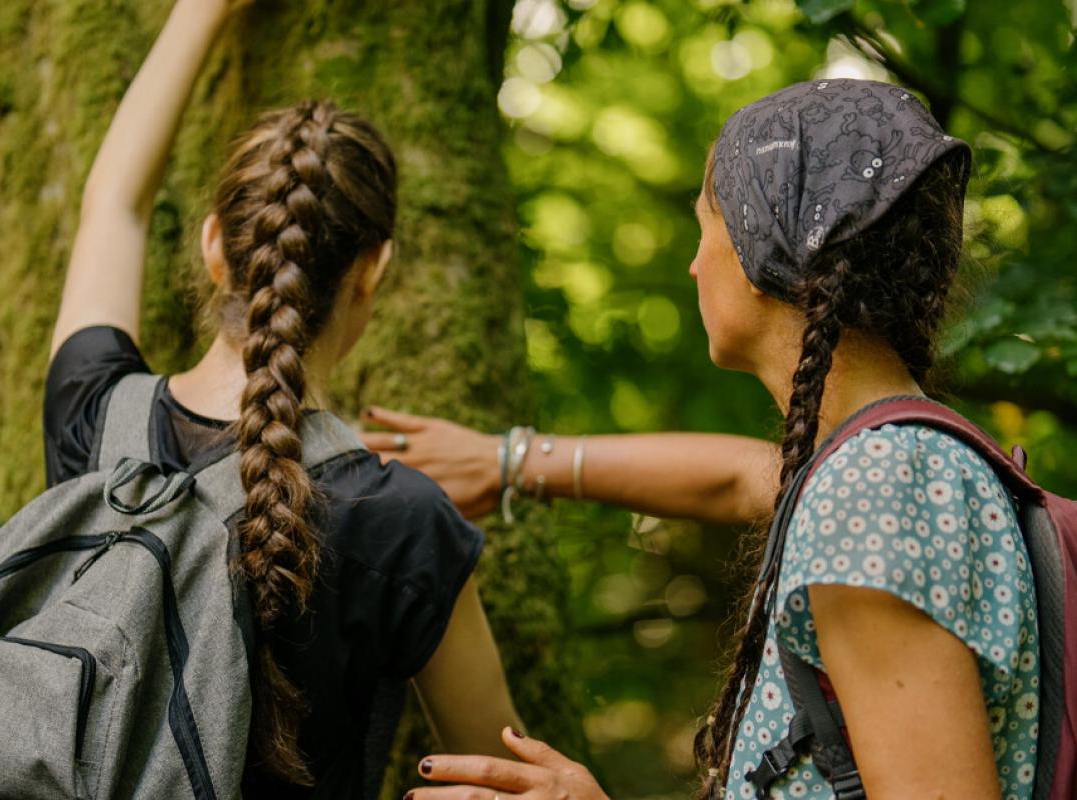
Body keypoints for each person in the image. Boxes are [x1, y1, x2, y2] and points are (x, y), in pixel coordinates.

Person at [372, 80, 1039, 799]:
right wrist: (512, 462)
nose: (695, 263)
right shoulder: (890, 461)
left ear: (764, 246)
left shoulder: (878, 490)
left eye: (706, 226)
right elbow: (736, 478)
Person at [42, 1, 521, 797]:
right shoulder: (404, 521)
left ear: (212, 249)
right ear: (375, 270)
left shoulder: (95, 423)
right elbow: (507, 782)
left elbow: (112, 205)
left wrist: (203, 11)